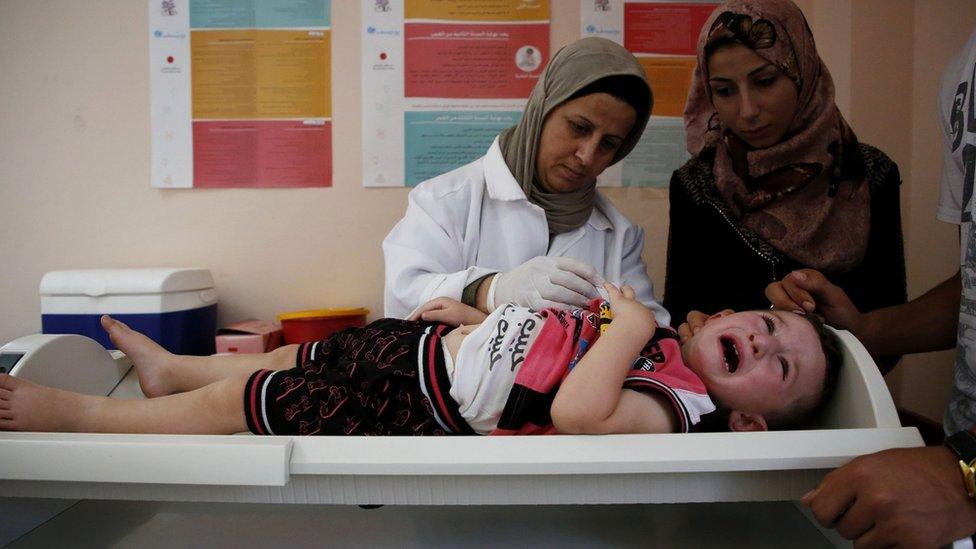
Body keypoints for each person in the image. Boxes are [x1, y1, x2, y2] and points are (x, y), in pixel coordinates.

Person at [0, 283, 840, 437]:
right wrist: (479, 317)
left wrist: (627, 325)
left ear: (752, 416)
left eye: (780, 362)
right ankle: (172, 370)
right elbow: (548, 352)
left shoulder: (678, 399)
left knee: (262, 394)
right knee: (307, 350)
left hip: (421, 406)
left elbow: (582, 411)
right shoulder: (658, 342)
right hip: (436, 351)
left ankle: (81, 413)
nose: (766, 340)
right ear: (726, 314)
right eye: (768, 324)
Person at [762, 25, 976, 548]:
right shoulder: (962, 71)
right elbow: (970, 286)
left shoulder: (870, 172)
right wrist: (865, 330)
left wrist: (966, 474)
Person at [663, 0, 906, 371]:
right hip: (725, 408)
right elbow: (681, 314)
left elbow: (887, 341)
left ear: (802, 71)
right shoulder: (696, 184)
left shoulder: (867, 174)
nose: (747, 111)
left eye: (765, 81)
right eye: (724, 91)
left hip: (846, 403)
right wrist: (693, 328)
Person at [383, 37, 670, 327]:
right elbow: (405, 299)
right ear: (542, 110)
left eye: (608, 144)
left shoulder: (618, 235)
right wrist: (491, 289)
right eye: (579, 127)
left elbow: (650, 333)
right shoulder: (444, 200)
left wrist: (478, 321)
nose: (587, 155)